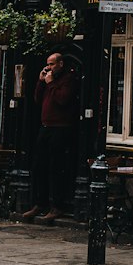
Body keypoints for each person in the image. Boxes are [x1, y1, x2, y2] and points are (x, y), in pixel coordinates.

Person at [21, 51, 79, 224]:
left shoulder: (67, 79)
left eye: (52, 64)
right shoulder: (48, 79)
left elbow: (62, 100)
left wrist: (51, 83)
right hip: (45, 127)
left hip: (61, 129)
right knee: (39, 166)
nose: (48, 68)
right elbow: (38, 100)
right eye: (47, 64)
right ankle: (40, 203)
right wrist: (40, 82)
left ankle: (57, 206)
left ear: (61, 64)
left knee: (56, 167)